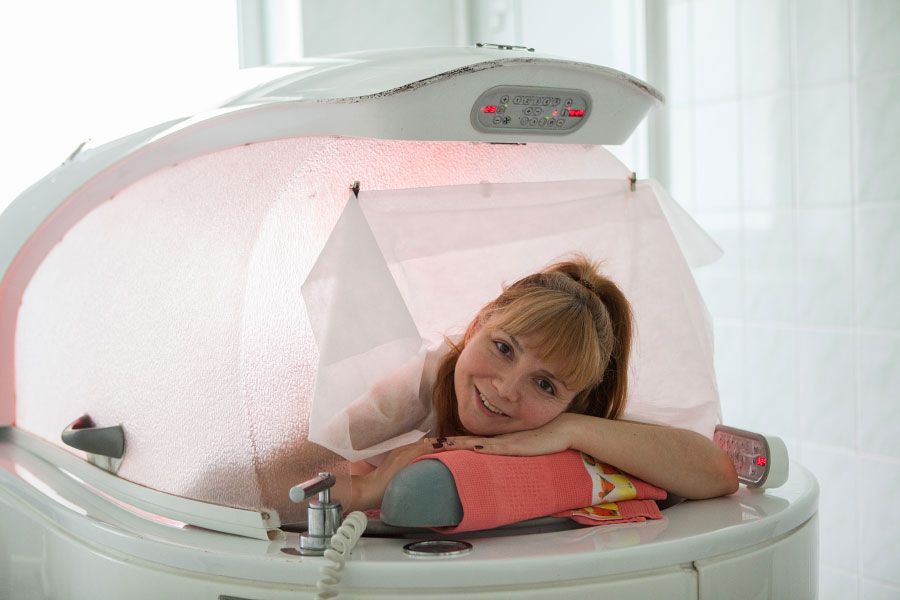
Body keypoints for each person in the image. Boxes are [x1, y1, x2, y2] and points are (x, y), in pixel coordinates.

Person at [349, 253, 739, 512]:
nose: (506, 389)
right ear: (477, 325)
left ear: (575, 402)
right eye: (504, 348)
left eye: (545, 385)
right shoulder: (411, 389)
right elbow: (309, 476)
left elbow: (717, 471)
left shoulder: (562, 419)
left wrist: (571, 429)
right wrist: (368, 489)